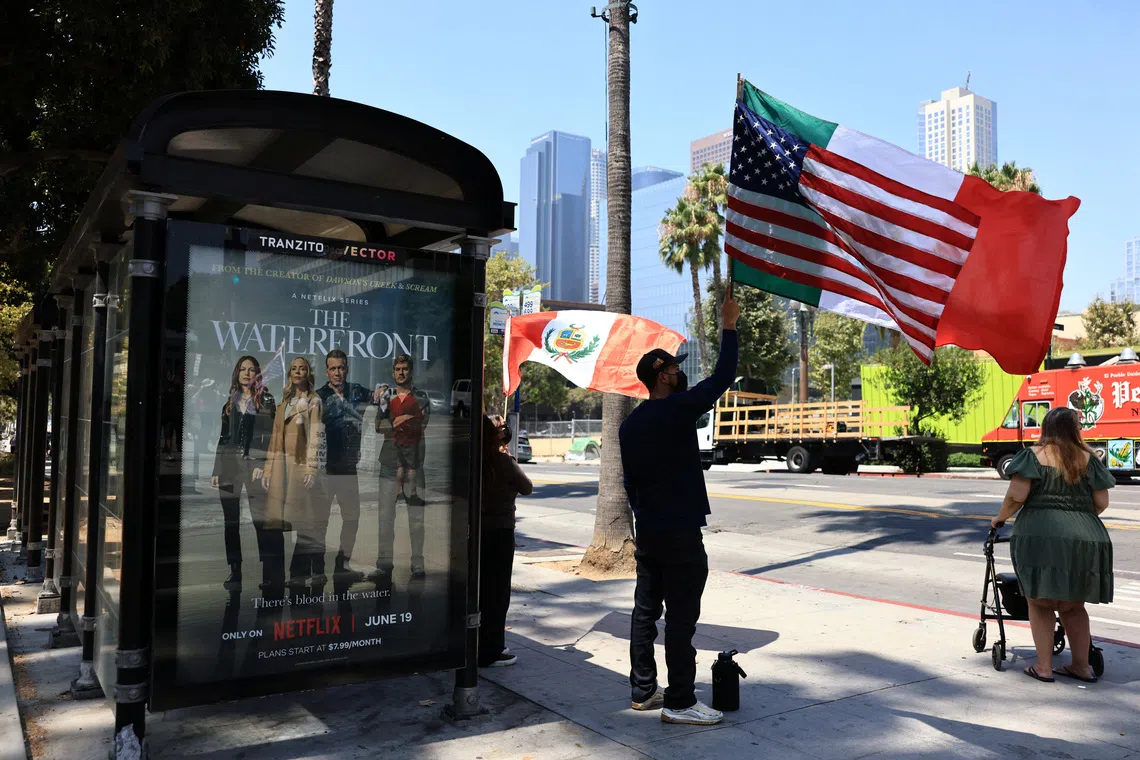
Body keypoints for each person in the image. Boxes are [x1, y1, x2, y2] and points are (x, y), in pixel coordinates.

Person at [620, 290, 739, 726]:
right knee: (682, 619)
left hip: (650, 531)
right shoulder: (675, 411)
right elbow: (724, 374)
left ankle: (643, 691)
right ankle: (681, 701)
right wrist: (729, 324)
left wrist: (646, 516)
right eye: (674, 367)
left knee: (646, 610)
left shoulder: (629, 425)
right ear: (662, 376)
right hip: (680, 533)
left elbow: (630, 484)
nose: (679, 373)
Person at [991, 406, 1114, 684]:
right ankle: (1081, 666)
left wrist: (998, 519)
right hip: (1086, 535)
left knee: (1040, 601)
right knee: (1073, 605)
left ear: (1046, 428)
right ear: (1075, 430)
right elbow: (1102, 503)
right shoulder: (1089, 458)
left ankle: (1044, 667)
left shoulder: (1032, 456)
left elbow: (1016, 497)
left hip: (1039, 533)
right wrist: (1076, 515)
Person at [210, 356, 280, 590]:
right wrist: (216, 470)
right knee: (231, 522)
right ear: (237, 373)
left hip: (254, 467)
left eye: (251, 370)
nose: (247, 373)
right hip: (230, 467)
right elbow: (223, 439)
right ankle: (235, 570)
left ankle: (269, 574)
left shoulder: (266, 400)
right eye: (242, 369)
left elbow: (268, 434)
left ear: (257, 374)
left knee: (260, 521)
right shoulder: (229, 403)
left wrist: (261, 463)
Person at [262, 357, 325, 589]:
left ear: (309, 373)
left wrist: (311, 467)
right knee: (276, 524)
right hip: (280, 469)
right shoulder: (283, 403)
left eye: (303, 368)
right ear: (289, 374)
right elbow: (274, 439)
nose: (298, 372)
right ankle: (275, 577)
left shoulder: (314, 401)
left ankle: (298, 574)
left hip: (299, 468)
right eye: (294, 369)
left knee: (304, 524)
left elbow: (316, 437)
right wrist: (268, 469)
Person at [479, 414, 532, 668]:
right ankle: (492, 648)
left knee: (479, 590)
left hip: (476, 531)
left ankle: (476, 642)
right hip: (500, 531)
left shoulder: (473, 460)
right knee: (497, 593)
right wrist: (508, 457)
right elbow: (527, 486)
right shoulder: (502, 461)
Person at [373, 354, 432, 581]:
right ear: (392, 372)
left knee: (416, 519)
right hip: (389, 464)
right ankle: (383, 564)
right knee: (385, 518)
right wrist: (400, 421)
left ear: (411, 371)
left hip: (414, 465)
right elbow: (379, 426)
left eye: (405, 368)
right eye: (397, 369)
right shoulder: (386, 397)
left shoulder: (421, 397)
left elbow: (420, 425)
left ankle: (417, 562)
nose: (401, 372)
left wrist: (395, 423)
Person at [314, 349, 371, 581]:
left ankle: (342, 565)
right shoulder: (318, 396)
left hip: (349, 468)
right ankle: (318, 570)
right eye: (333, 368)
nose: (337, 372)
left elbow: (380, 396)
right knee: (321, 521)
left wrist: (382, 391)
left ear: (346, 369)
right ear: (327, 371)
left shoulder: (357, 391)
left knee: (352, 518)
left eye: (341, 367)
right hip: (325, 470)